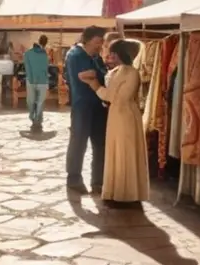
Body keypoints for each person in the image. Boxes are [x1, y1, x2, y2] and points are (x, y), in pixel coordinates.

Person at [80, 39, 150, 206]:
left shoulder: (131, 73)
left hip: (126, 116)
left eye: (113, 52)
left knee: (125, 152)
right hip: (116, 115)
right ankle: (115, 192)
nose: (110, 55)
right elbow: (111, 95)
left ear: (120, 54)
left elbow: (116, 97)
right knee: (116, 152)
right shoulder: (117, 71)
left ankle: (126, 194)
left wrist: (94, 84)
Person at [64, 26, 108, 194]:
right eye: (99, 41)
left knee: (100, 144)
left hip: (98, 105)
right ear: (89, 39)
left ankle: (98, 181)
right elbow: (87, 75)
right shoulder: (76, 55)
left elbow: (99, 74)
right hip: (82, 106)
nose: (101, 44)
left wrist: (96, 74)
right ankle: (74, 178)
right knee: (78, 143)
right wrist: (98, 75)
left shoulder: (95, 56)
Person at [23, 35, 50, 133]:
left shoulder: (27, 54)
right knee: (39, 102)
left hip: (32, 81)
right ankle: (36, 120)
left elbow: (27, 68)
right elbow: (45, 68)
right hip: (41, 80)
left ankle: (34, 118)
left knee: (31, 101)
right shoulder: (44, 54)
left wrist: (31, 78)